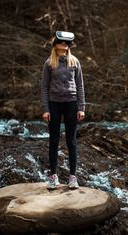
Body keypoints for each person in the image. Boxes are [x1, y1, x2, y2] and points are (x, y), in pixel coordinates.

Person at [41, 31, 85, 190]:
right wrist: (45, 109)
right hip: (54, 104)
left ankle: (73, 177)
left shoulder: (74, 62)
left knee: (71, 141)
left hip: (71, 104)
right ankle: (53, 176)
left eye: (67, 44)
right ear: (56, 45)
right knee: (53, 141)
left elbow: (80, 86)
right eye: (62, 43)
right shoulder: (49, 63)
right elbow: (44, 87)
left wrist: (81, 107)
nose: (65, 46)